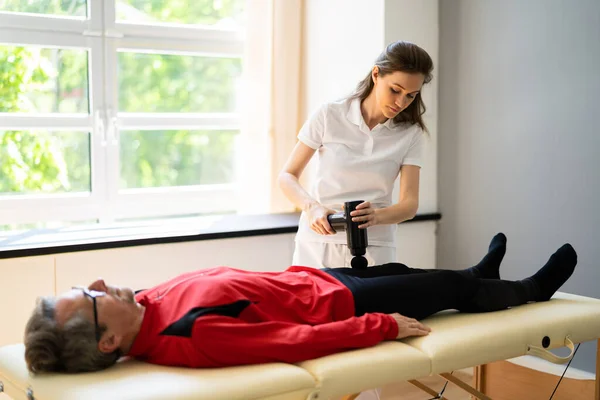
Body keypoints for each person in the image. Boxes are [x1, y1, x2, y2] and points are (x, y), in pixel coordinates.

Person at [23, 234, 577, 374]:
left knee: (415, 274)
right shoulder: (189, 337)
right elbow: (291, 342)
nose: (98, 280)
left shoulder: (145, 303)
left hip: (316, 280)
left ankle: (481, 274)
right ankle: (531, 290)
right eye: (91, 296)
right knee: (450, 292)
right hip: (340, 305)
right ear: (107, 341)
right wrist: (378, 326)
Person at [278, 40, 434, 268]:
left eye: (411, 95)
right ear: (376, 74)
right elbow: (287, 176)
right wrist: (313, 207)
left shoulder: (410, 133)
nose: (401, 102)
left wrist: (377, 216)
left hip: (377, 245)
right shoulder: (329, 115)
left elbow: (409, 204)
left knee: (374, 305)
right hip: (319, 241)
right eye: (395, 90)